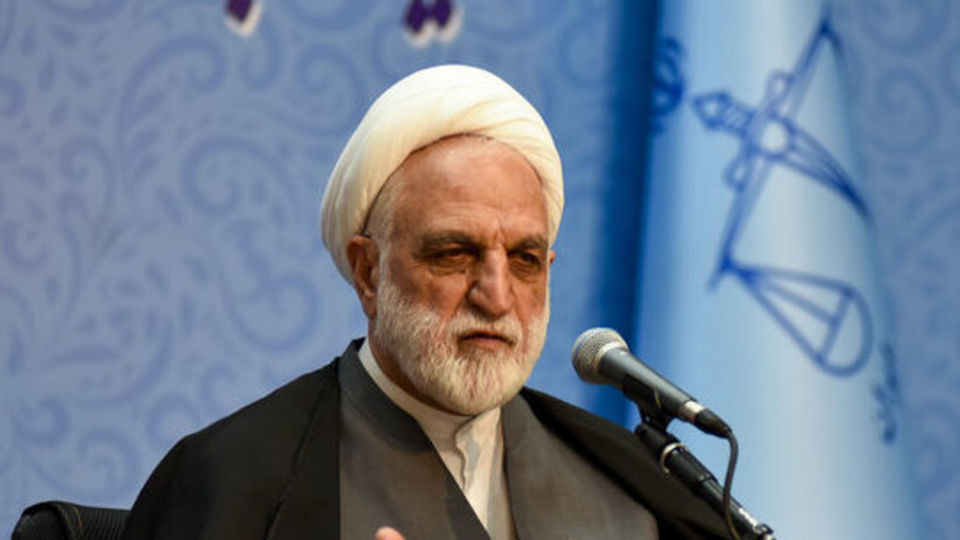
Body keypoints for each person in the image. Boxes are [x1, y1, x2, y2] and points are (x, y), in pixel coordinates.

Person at [121, 65, 726, 540]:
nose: (496, 297)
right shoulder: (234, 478)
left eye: (524, 259)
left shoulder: (631, 485)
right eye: (454, 253)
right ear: (369, 272)